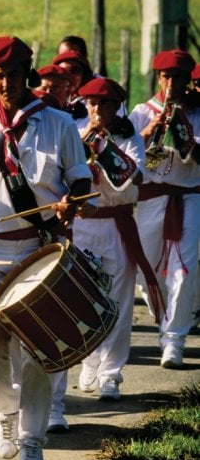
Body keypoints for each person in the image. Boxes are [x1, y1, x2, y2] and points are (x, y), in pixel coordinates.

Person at [0, 35, 93, 460]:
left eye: (13, 76)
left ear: (26, 73)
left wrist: (71, 201)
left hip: (42, 249)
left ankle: (33, 439)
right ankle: (7, 414)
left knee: (39, 347)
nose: (5, 84)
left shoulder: (58, 122)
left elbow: (80, 177)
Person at [73, 77, 165, 401]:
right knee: (85, 296)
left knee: (119, 300)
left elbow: (135, 177)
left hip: (118, 222)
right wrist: (86, 141)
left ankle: (111, 374)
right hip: (84, 224)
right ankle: (89, 360)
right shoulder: (76, 131)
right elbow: (69, 174)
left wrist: (104, 147)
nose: (96, 110)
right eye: (91, 103)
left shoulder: (129, 138)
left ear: (117, 106)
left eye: (103, 104)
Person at [129, 49, 200, 369]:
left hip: (189, 198)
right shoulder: (142, 111)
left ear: (188, 81)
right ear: (159, 78)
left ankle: (174, 340)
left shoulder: (198, 112)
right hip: (150, 199)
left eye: (178, 78)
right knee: (149, 273)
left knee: (183, 272)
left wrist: (184, 132)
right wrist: (150, 131)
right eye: (166, 77)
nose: (172, 83)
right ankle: (165, 323)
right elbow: (126, 158)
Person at [51, 50, 95, 123]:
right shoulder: (50, 101)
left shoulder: (95, 102)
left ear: (84, 74)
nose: (69, 76)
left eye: (74, 70)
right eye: (63, 71)